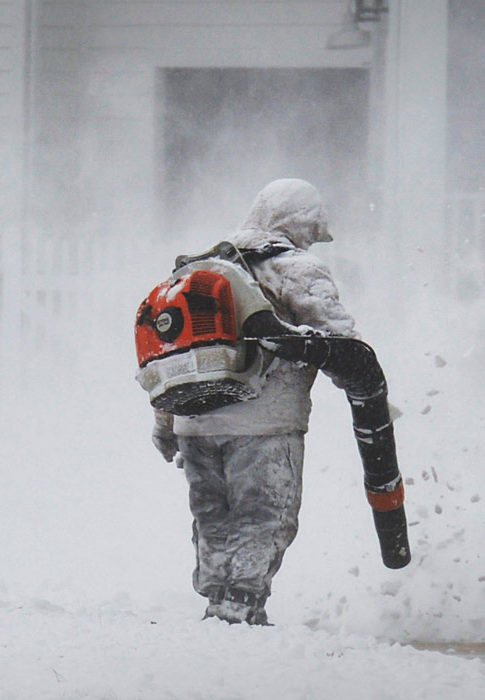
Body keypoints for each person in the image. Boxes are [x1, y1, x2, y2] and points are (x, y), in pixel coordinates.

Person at [151, 178, 357, 625]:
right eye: (311, 229)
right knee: (266, 514)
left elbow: (172, 352)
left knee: (212, 516)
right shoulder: (296, 269)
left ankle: (218, 606)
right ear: (298, 222)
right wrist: (365, 392)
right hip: (264, 424)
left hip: (195, 421)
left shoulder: (201, 267)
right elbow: (342, 342)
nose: (311, 240)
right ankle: (240, 609)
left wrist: (165, 423)